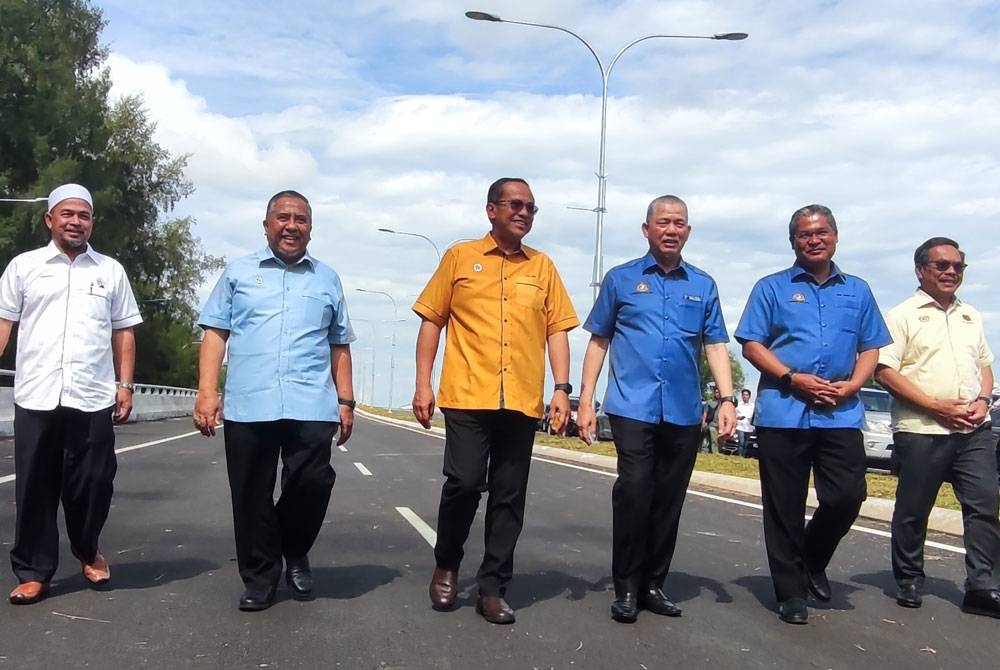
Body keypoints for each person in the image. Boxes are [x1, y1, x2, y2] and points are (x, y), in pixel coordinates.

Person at [412, 177, 579, 624]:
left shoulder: (542, 267)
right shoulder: (460, 257)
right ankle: (447, 562)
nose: (523, 213)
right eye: (515, 205)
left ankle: (492, 587)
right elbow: (432, 320)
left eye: (531, 208)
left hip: (522, 399)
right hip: (467, 393)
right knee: (464, 483)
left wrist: (562, 389)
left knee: (509, 495)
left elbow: (557, 330)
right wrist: (423, 384)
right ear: (491, 209)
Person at [576, 194, 735, 623]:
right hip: (632, 405)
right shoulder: (622, 280)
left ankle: (652, 584)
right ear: (647, 230)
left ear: (688, 231)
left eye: (679, 223)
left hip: (683, 410)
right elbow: (598, 341)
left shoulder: (702, 285)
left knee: (668, 498)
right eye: (663, 222)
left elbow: (716, 343)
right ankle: (626, 586)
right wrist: (586, 399)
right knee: (635, 489)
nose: (671, 229)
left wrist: (726, 398)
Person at [194, 190, 356, 612]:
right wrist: (207, 392)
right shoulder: (238, 273)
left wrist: (346, 400)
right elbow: (214, 333)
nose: (291, 225)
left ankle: (294, 548)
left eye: (301, 219)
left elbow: (339, 344)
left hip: (311, 402)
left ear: (310, 229)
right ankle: (261, 577)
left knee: (313, 482)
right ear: (266, 225)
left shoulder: (327, 279)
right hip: (250, 402)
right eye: (283, 217)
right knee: (250, 493)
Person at [734, 204, 891, 624]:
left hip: (840, 411)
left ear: (835, 236)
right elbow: (752, 344)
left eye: (821, 232)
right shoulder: (771, 288)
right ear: (793, 242)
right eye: (804, 234)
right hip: (784, 411)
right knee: (783, 505)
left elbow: (872, 346)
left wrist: (855, 384)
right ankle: (790, 592)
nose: (814, 239)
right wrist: (790, 378)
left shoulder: (857, 290)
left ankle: (811, 558)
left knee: (846, 496)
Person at [0, 184, 142, 605]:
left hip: (93, 394)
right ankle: (33, 570)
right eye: (67, 214)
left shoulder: (110, 271)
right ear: (49, 219)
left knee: (95, 482)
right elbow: (4, 323)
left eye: (83, 215)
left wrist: (125, 384)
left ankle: (87, 547)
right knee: (34, 487)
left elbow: (124, 331)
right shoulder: (24, 267)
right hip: (37, 393)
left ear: (92, 221)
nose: (75, 221)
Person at [874, 237, 1000, 617]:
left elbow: (985, 365)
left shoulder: (971, 316)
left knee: (983, 504)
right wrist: (934, 406)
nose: (950, 272)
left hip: (973, 430)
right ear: (921, 270)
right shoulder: (902, 315)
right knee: (914, 509)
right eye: (941, 265)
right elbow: (884, 371)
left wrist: (983, 400)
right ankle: (910, 577)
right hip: (922, 428)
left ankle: (982, 586)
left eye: (957, 267)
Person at [701, 387, 722, 454]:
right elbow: (705, 413)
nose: (718, 394)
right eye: (716, 392)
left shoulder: (724, 403)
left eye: (719, 392)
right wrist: (703, 422)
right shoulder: (709, 402)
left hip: (720, 425)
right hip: (711, 424)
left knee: (717, 440)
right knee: (712, 439)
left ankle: (714, 452)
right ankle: (712, 452)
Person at [735, 389, 755, 457]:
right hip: (740, 426)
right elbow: (734, 414)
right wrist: (738, 418)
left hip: (749, 427)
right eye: (743, 395)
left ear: (749, 396)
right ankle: (739, 456)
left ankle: (744, 456)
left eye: (746, 395)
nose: (745, 396)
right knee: (741, 441)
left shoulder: (753, 406)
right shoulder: (738, 405)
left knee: (746, 443)